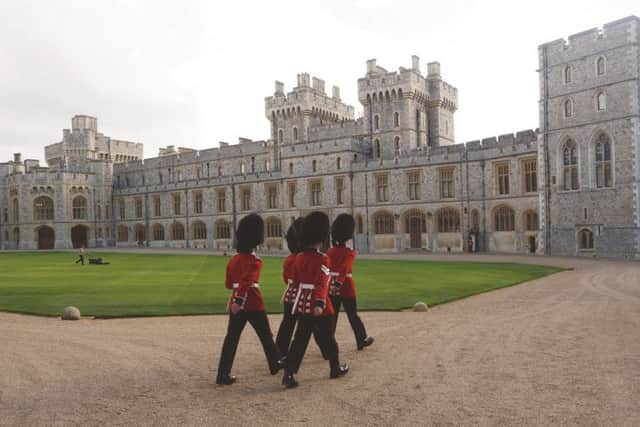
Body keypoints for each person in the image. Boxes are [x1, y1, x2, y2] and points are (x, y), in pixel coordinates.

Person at [282, 212, 349, 389]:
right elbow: (322, 283)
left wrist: (297, 300)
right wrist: (319, 303)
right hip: (319, 304)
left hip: (302, 303)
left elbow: (294, 281)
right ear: (321, 238)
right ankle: (335, 368)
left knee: (300, 340)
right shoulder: (323, 259)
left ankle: (289, 373)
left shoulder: (298, 258)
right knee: (328, 338)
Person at [216, 214, 283, 385]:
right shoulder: (255, 261)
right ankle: (275, 363)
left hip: (236, 301)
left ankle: (223, 374)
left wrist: (236, 298)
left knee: (231, 338)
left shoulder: (233, 260)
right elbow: (248, 281)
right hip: (252, 302)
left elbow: (229, 284)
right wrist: (240, 300)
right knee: (265, 336)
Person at [275, 217, 327, 359]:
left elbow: (286, 279)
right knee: (316, 328)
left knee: (287, 325)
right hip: (305, 297)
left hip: (290, 296)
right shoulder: (307, 258)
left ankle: (279, 352)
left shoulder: (290, 259)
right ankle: (327, 352)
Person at [327, 214, 374, 350]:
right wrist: (339, 283)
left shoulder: (330, 251)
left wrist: (333, 284)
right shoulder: (350, 253)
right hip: (346, 286)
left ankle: (328, 344)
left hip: (331, 285)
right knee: (353, 315)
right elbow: (344, 269)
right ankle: (361, 339)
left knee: (332, 317)